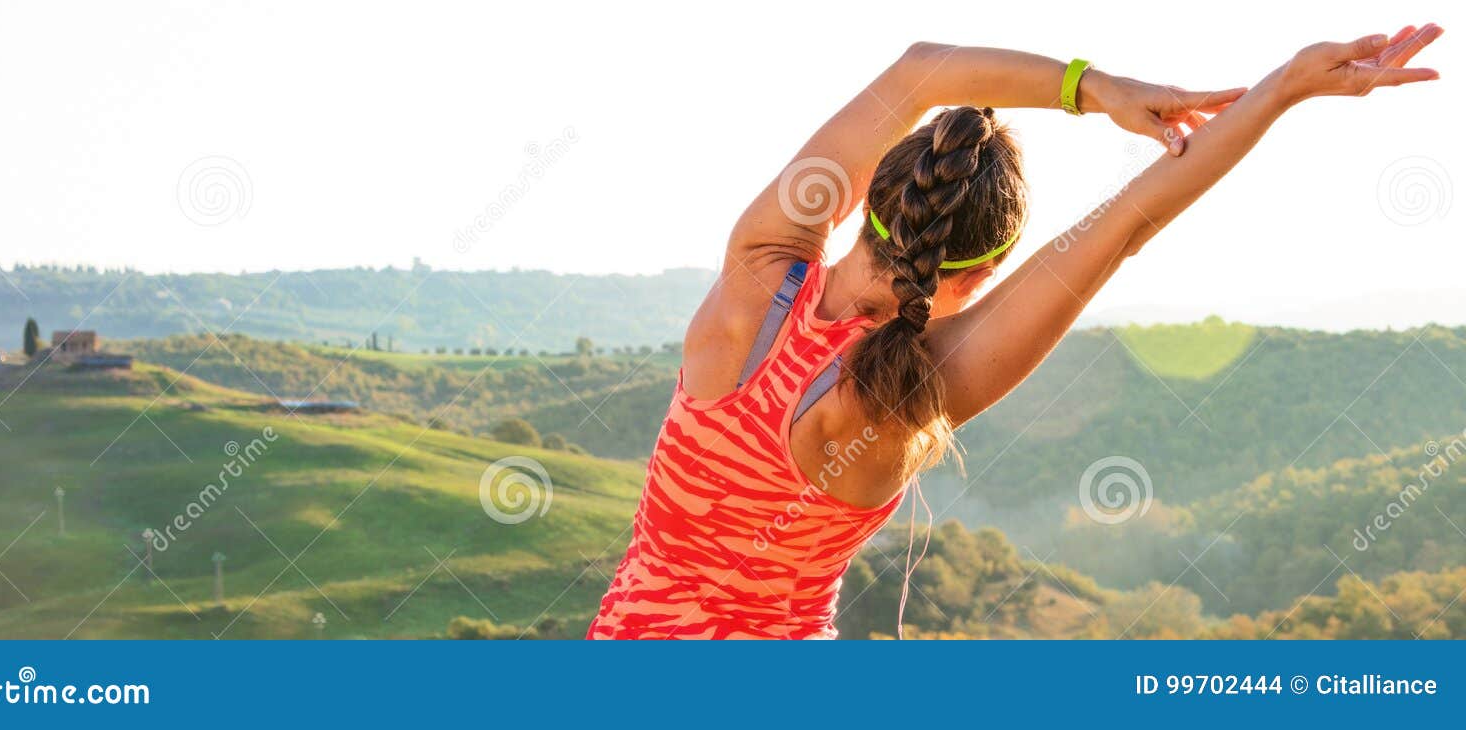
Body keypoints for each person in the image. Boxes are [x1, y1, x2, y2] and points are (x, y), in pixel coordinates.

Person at [588, 25, 1443, 639]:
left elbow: (921, 71)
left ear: (875, 195)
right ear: (986, 272)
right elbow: (1134, 217)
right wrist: (1286, 86)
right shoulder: (909, 392)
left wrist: (1097, 88)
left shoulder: (755, 270)